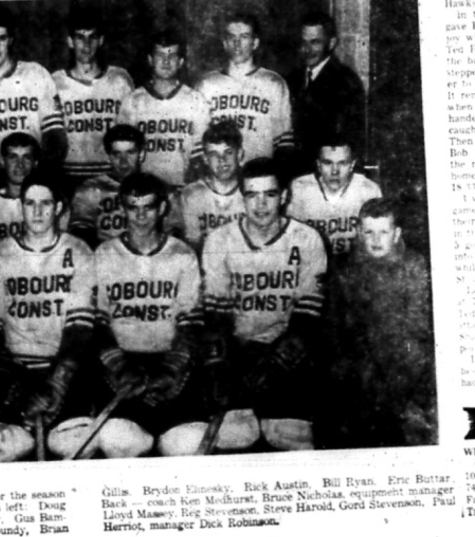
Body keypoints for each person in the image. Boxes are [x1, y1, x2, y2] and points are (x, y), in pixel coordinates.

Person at [202, 158, 327, 451]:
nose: (260, 205)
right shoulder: (220, 239)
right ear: (241, 197)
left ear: (283, 196)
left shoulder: (307, 239)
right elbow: (215, 315)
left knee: (290, 437)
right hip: (237, 350)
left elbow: (307, 316)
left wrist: (278, 362)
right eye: (251, 195)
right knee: (235, 436)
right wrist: (219, 365)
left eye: (269, 195)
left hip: (285, 350)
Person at [93, 172, 205, 457]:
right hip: (123, 366)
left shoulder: (182, 254)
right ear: (123, 208)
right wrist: (119, 367)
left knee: (187, 444)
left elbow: (191, 324)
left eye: (149, 207)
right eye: (133, 207)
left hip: (170, 362)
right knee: (119, 439)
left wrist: (171, 370)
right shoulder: (104, 254)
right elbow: (98, 323)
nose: (141, 216)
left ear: (163, 208)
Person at [0, 170, 96, 438]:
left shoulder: (79, 251)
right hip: (16, 370)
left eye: (45, 203)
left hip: (61, 368)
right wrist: (2, 377)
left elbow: (80, 328)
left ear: (57, 208)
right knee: (6, 445)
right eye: (30, 203)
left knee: (70, 445)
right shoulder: (0, 253)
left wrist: (58, 382)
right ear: (21, 207)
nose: (37, 212)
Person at [320, 198, 435, 448]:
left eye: (383, 232)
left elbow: (417, 327)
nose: (375, 240)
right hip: (358, 372)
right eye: (369, 232)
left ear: (396, 234)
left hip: (402, 368)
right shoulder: (346, 270)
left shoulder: (413, 266)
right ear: (359, 233)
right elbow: (335, 328)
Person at [0, 8, 67, 194]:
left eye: (1, 38)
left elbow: (55, 135)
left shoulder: (35, 74)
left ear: (11, 40)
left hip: (31, 171)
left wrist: (43, 173)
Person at [195, 13, 293, 166]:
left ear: (255, 42)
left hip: (259, 176)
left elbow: (284, 143)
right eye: (231, 37)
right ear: (224, 43)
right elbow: (198, 141)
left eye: (244, 37)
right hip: (220, 175)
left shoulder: (273, 82)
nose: (237, 43)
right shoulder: (207, 84)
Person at [117, 29, 209, 188]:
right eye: (160, 55)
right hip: (143, 191)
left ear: (180, 62)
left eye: (172, 56)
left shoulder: (195, 100)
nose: (166, 62)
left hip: (182, 188)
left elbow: (199, 156)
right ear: (150, 60)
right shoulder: (133, 101)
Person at [52, 10, 134, 181]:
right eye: (80, 37)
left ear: (101, 40)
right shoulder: (55, 82)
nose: (87, 44)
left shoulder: (119, 80)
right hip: (69, 175)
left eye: (92, 37)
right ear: (70, 41)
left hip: (110, 174)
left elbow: (131, 133)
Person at [286, 12, 366, 178]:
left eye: (315, 42)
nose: (306, 49)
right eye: (303, 42)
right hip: (295, 175)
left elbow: (348, 140)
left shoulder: (346, 82)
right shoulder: (292, 79)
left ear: (331, 43)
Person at [287, 134, 381, 259]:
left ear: (352, 165)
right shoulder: (301, 189)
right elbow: (290, 241)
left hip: (354, 266)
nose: (335, 171)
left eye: (342, 163)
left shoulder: (368, 190)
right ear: (318, 165)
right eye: (327, 163)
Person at [68, 124, 145, 249]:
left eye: (130, 153)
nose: (123, 161)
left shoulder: (158, 188)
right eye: (116, 154)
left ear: (141, 154)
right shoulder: (91, 188)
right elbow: (80, 234)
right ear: (108, 157)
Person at [177, 119, 247, 252]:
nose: (222, 160)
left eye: (228, 152)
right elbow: (193, 244)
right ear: (205, 158)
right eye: (214, 154)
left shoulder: (250, 191)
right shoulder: (192, 194)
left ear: (239, 154)